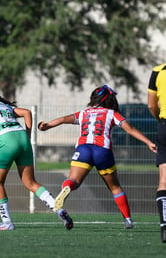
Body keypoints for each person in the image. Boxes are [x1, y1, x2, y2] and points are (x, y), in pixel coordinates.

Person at [39, 84, 157, 229]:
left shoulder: (84, 113)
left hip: (83, 149)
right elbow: (130, 129)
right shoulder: (111, 113)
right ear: (110, 100)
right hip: (102, 150)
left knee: (73, 180)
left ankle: (67, 188)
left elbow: (64, 119)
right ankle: (127, 220)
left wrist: (48, 125)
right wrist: (148, 142)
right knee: (115, 188)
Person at [0, 82, 74, 231]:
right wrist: (28, 137)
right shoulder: (3, 105)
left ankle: (7, 222)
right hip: (22, 138)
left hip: (5, 139)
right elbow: (27, 113)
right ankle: (59, 210)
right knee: (30, 182)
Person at [147, 62, 166, 242]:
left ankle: (164, 225)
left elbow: (152, 106)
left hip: (165, 126)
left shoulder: (158, 71)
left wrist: (160, 121)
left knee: (163, 181)